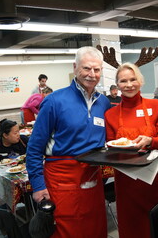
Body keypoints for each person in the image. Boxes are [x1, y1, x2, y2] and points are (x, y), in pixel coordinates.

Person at [26, 46, 110, 238]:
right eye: (86, 68)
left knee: (95, 228)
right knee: (67, 231)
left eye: (97, 70)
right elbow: (34, 148)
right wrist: (38, 186)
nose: (92, 74)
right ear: (75, 67)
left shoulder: (103, 102)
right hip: (61, 180)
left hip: (93, 178)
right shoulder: (54, 101)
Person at [105, 62, 158, 238]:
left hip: (156, 178)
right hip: (128, 182)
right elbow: (111, 148)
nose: (129, 85)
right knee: (134, 228)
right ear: (117, 85)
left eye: (133, 79)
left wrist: (150, 140)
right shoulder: (110, 115)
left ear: (140, 81)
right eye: (123, 81)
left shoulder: (156, 106)